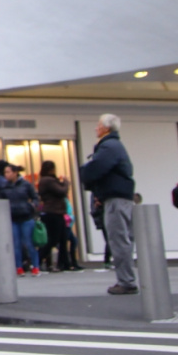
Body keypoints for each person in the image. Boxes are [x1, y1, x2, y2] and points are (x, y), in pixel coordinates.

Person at [79, 113, 137, 295]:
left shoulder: (108, 146)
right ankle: (126, 279)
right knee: (123, 239)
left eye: (98, 125)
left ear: (105, 128)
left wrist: (85, 174)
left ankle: (126, 281)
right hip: (120, 197)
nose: (96, 128)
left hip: (115, 199)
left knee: (118, 240)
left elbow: (95, 169)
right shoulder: (115, 145)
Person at [37, 160, 78, 272]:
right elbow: (61, 191)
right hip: (53, 213)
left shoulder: (46, 180)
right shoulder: (48, 180)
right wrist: (65, 183)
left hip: (56, 212)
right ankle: (39, 259)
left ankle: (64, 263)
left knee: (63, 238)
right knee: (53, 239)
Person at [2, 163, 41, 276]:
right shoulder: (5, 187)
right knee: (16, 244)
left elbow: (35, 197)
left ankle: (35, 266)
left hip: (26, 217)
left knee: (29, 242)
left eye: (8, 172)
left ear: (15, 173)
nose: (6, 175)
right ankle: (18, 267)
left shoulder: (25, 185)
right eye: (5, 172)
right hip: (13, 218)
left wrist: (32, 206)